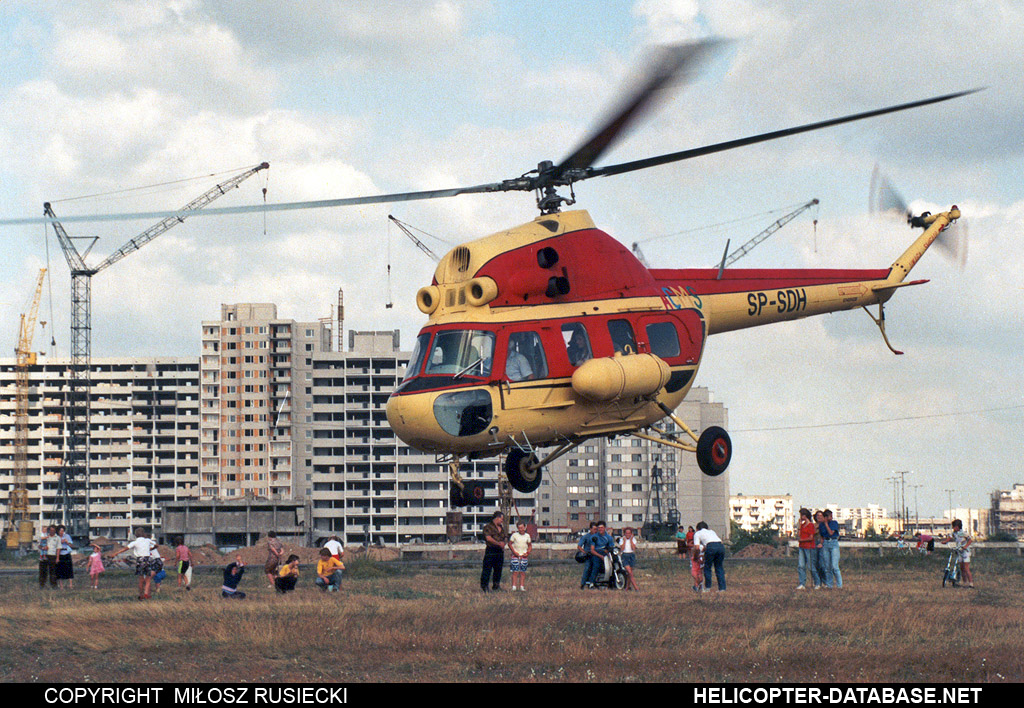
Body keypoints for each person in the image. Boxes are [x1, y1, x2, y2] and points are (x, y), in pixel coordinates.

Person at [112, 527, 157, 600]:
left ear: (135, 535)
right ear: (143, 534)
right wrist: (151, 549)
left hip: (140, 560)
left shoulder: (135, 542)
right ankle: (146, 594)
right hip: (147, 560)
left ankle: (141, 595)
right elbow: (156, 545)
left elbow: (125, 548)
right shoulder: (147, 540)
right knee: (148, 579)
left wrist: (116, 553)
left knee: (141, 579)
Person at [693, 521, 726, 591]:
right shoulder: (711, 531)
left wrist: (695, 557)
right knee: (719, 567)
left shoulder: (697, 533)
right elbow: (714, 542)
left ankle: (708, 588)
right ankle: (722, 588)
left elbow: (696, 547)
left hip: (710, 547)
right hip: (720, 546)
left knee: (707, 567)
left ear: (697, 528)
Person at [941, 519, 974, 588]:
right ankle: (964, 582)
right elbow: (950, 538)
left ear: (957, 527)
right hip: (959, 551)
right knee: (961, 568)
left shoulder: (963, 533)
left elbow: (970, 540)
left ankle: (971, 583)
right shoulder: (954, 533)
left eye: (954, 527)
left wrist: (965, 546)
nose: (953, 528)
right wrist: (945, 542)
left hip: (965, 552)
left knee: (966, 568)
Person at [583, 521, 615, 589]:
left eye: (602, 527)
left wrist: (608, 550)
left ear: (605, 528)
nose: (600, 529)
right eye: (599, 528)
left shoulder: (609, 537)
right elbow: (592, 550)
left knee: (614, 562)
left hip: (606, 553)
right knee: (596, 565)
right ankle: (592, 582)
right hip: (596, 554)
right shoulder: (594, 537)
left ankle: (612, 580)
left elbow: (611, 546)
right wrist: (600, 556)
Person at [480, 511, 506, 592]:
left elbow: (505, 537)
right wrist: (498, 543)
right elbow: (488, 538)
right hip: (491, 550)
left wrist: (503, 543)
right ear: (497, 518)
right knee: (487, 569)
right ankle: (484, 586)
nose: (502, 520)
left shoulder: (502, 528)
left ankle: (496, 585)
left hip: (499, 551)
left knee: (498, 569)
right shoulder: (488, 527)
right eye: (501, 519)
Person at [796, 508, 820, 590]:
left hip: (809, 547)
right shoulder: (803, 525)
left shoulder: (811, 525)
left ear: (804, 516)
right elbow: (799, 534)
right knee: (801, 566)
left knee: (811, 566)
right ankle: (802, 583)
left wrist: (802, 540)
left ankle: (817, 582)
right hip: (802, 547)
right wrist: (799, 525)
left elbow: (811, 537)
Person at [819, 509, 842, 588]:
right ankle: (829, 584)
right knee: (827, 566)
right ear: (826, 517)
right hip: (826, 543)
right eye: (830, 516)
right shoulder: (821, 525)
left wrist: (826, 524)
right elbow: (822, 536)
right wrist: (821, 544)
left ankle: (839, 585)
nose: (831, 517)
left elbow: (831, 533)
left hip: (833, 543)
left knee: (834, 566)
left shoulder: (834, 523)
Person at [508, 521, 532, 591]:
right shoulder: (514, 535)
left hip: (524, 556)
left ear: (524, 527)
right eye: (519, 528)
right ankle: (514, 587)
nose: (520, 529)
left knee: (522, 572)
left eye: (522, 528)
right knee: (515, 572)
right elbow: (510, 544)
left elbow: (530, 545)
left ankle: (522, 586)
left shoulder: (527, 536)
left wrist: (528, 552)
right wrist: (514, 552)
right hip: (515, 556)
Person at [619, 527, 640, 591]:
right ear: (624, 533)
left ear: (631, 534)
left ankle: (627, 588)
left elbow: (633, 548)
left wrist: (630, 540)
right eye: (626, 533)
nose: (628, 534)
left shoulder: (633, 539)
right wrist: (624, 541)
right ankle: (636, 587)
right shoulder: (622, 539)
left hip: (631, 555)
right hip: (625, 555)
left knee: (629, 573)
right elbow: (622, 549)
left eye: (629, 533)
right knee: (630, 572)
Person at [577, 521, 597, 588]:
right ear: (590, 529)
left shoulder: (598, 536)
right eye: (594, 529)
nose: (595, 531)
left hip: (596, 555)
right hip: (589, 555)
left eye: (596, 529)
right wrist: (584, 552)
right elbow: (579, 546)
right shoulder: (586, 537)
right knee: (587, 568)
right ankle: (583, 584)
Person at [55, 525, 74, 589]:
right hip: (59, 554)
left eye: (63, 531)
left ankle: (70, 585)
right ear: (58, 531)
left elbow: (71, 545)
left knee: (69, 569)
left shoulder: (67, 536)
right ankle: (61, 586)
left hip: (66, 552)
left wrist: (67, 542)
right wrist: (60, 542)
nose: (62, 532)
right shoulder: (56, 537)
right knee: (60, 570)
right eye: (60, 531)